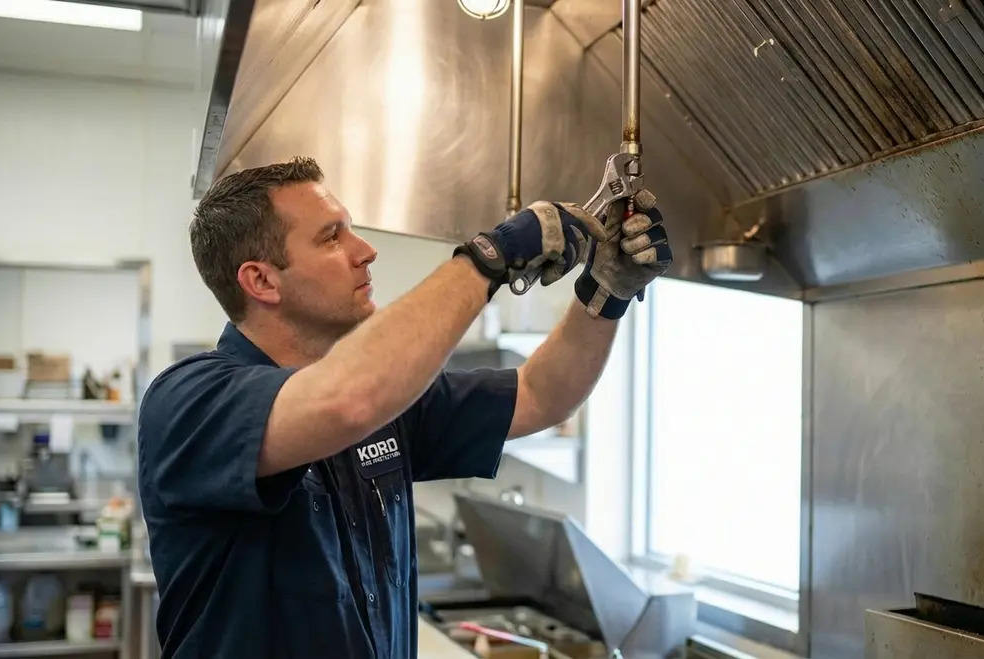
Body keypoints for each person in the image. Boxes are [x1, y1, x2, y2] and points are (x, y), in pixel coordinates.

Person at [136, 156, 673, 659]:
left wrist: (605, 294)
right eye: (331, 237)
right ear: (260, 280)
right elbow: (345, 399)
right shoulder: (190, 402)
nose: (365, 250)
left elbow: (539, 395)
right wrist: (489, 259)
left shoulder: (387, 400)